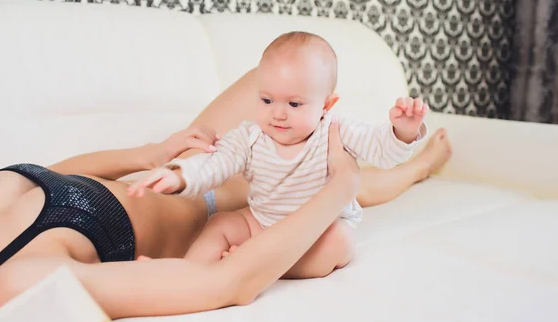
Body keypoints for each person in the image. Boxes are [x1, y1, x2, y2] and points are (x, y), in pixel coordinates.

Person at [0, 63, 451, 322]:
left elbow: (50, 174)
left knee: (286, 71)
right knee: (328, 192)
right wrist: (340, 187)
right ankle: (416, 169)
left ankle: (397, 151)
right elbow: (223, 282)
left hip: (197, 166)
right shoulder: (8, 289)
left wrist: (152, 152)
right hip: (225, 222)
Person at [127, 32, 429, 278]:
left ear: (326, 104)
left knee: (341, 242)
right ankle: (183, 274)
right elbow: (213, 164)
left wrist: (402, 132)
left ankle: (261, 265)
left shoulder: (335, 130)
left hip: (312, 235)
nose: (278, 114)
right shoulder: (250, 136)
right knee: (220, 224)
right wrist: (178, 176)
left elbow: (382, 151)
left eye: (294, 104)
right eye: (267, 100)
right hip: (261, 222)